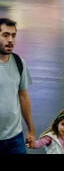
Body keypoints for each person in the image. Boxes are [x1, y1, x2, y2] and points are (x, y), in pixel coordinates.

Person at [0, 18, 35, 154]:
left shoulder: (19, 62)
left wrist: (30, 130)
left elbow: (23, 97)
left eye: (13, 35)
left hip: (15, 136)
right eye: (5, 35)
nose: (10, 40)